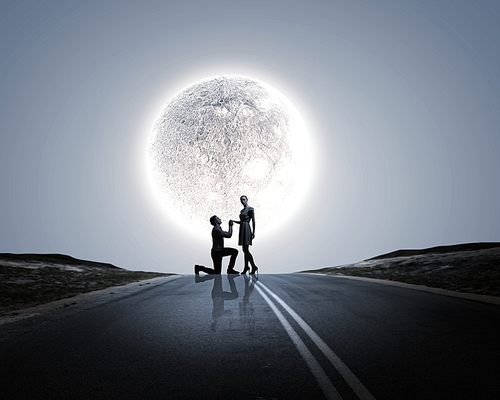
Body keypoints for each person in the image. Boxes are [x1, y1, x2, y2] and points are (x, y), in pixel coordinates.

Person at [231, 195, 258, 274]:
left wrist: (253, 232)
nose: (242, 201)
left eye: (244, 199)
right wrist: (234, 221)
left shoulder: (250, 209)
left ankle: (253, 266)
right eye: (241, 200)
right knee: (245, 250)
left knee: (245, 250)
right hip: (242, 228)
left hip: (246, 229)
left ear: (247, 200)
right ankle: (246, 267)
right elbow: (241, 222)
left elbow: (253, 221)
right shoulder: (242, 211)